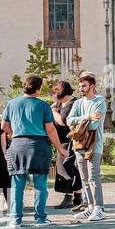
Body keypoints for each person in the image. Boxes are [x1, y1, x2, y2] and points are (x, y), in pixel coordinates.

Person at [1, 75, 66, 228]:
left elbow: (4, 126)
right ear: (38, 88)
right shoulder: (43, 106)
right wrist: (60, 148)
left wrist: (13, 135)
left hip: (17, 145)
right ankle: (40, 218)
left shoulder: (11, 104)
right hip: (38, 145)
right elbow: (50, 130)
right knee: (40, 184)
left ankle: (15, 219)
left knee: (17, 184)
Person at [68, 72, 108, 222]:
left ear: (92, 86)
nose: (81, 89)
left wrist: (82, 122)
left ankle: (99, 208)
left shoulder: (99, 101)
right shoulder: (78, 103)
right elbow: (69, 120)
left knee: (93, 176)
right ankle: (90, 206)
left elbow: (94, 125)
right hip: (79, 144)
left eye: (84, 86)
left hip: (94, 145)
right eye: (80, 86)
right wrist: (87, 117)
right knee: (84, 177)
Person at [49, 81, 83, 211]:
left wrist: (52, 110)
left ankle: (69, 197)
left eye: (55, 92)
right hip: (62, 139)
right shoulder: (62, 103)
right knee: (71, 167)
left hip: (68, 140)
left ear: (61, 92)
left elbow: (63, 122)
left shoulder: (71, 103)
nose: (54, 95)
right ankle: (77, 196)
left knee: (66, 167)